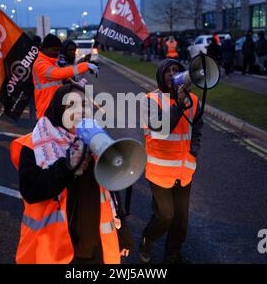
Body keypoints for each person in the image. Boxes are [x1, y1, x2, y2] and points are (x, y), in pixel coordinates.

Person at [10, 83, 133, 264]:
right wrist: (67, 167)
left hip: (96, 247)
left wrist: (122, 232)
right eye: (71, 105)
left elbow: (110, 194)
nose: (80, 110)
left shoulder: (96, 141)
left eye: (84, 104)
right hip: (56, 250)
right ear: (59, 110)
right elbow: (31, 191)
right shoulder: (34, 145)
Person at [139, 59, 204, 264]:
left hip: (184, 170)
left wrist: (193, 152)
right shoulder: (150, 100)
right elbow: (161, 128)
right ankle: (147, 240)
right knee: (165, 216)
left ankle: (172, 254)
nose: (172, 74)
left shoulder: (193, 99)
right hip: (159, 170)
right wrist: (179, 105)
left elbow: (198, 129)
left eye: (176, 70)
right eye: (167, 71)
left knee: (181, 220)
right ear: (160, 75)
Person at [32, 34, 96, 118]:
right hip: (46, 109)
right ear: (45, 49)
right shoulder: (40, 64)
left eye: (58, 50)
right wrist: (85, 66)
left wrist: (74, 85)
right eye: (54, 50)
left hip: (55, 107)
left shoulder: (51, 62)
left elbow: (60, 79)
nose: (57, 53)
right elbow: (58, 74)